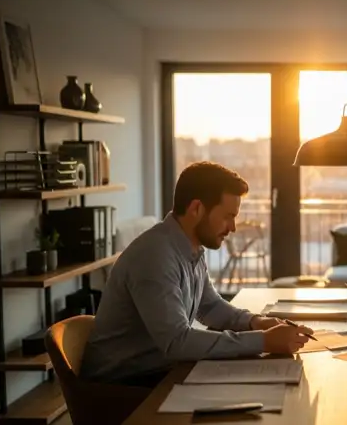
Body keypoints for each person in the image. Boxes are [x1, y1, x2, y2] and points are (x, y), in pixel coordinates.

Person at [81, 161, 313, 387]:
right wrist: (264, 341)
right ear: (196, 209)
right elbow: (177, 342)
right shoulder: (155, 256)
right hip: (122, 389)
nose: (232, 227)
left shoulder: (190, 247)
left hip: (159, 371)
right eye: (228, 216)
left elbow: (210, 307)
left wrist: (256, 322)